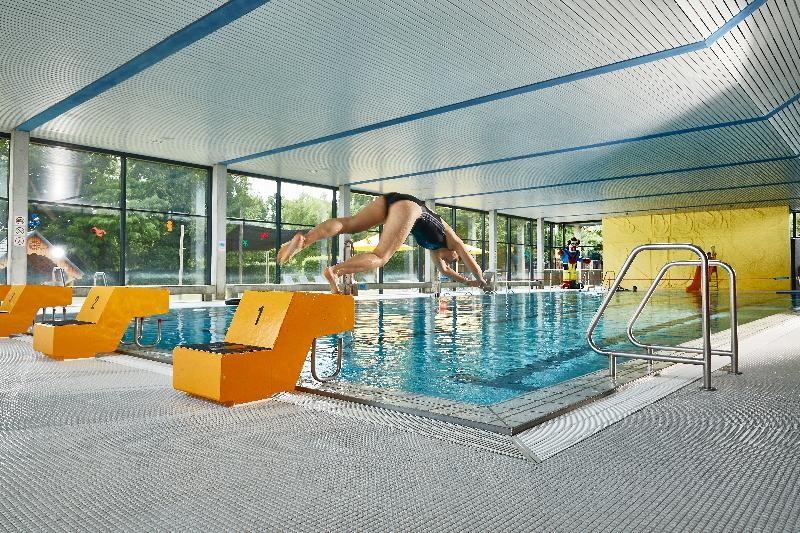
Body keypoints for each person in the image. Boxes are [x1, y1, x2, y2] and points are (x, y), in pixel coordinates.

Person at [277, 192, 489, 294]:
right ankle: (336, 271)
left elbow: (445, 272)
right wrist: (482, 280)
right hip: (412, 208)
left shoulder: (435, 250)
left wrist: (467, 282)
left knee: (349, 223)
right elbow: (472, 262)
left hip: (393, 200)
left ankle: (304, 240)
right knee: (380, 256)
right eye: (456, 258)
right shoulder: (452, 240)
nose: (454, 259)